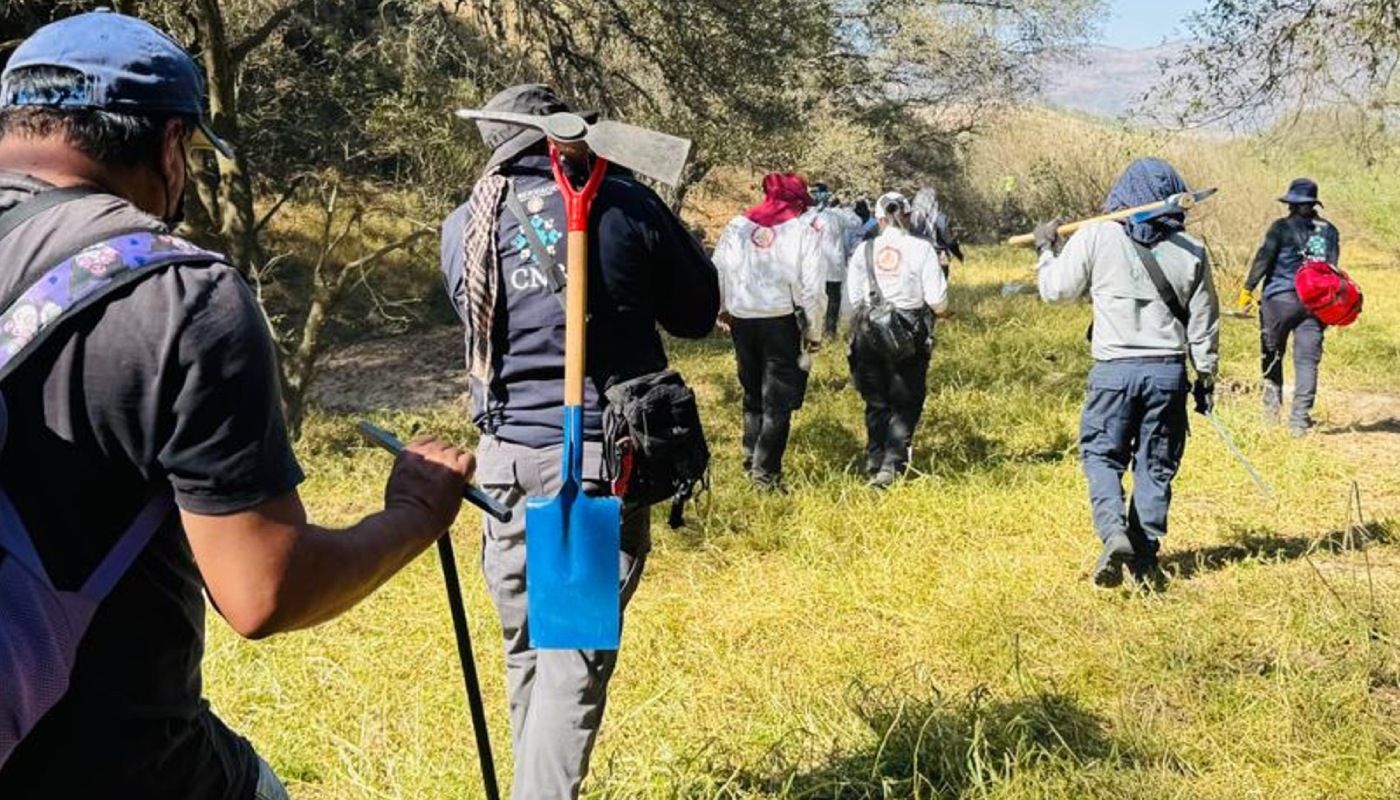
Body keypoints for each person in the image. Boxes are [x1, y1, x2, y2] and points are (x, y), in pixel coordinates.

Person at [0, 11, 474, 799]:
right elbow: (264, 592)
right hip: (118, 766)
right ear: (169, 145)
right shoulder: (177, 295)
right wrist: (414, 515)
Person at [440, 84, 719, 799]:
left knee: (530, 651)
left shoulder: (465, 224)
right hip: (590, 462)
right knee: (570, 660)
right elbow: (696, 308)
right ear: (564, 138)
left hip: (503, 463)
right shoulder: (621, 204)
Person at [1033, 158, 1220, 588]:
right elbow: (1204, 322)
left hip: (1113, 372)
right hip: (1167, 373)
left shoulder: (1095, 236)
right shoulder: (1192, 251)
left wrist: (1046, 249)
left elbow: (1055, 290)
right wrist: (1205, 376)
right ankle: (1145, 555)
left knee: (1101, 455)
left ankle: (1113, 532)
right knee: (1156, 464)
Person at [712, 172, 827, 491]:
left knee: (752, 392)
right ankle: (766, 473)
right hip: (781, 321)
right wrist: (814, 331)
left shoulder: (738, 225)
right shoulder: (804, 228)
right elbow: (813, 288)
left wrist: (723, 307)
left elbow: (720, 268)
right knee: (778, 400)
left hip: (744, 319)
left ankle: (751, 458)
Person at [845, 192, 949, 488]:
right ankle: (892, 464)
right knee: (906, 400)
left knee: (876, 399)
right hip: (908, 332)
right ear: (906, 216)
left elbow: (853, 300)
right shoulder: (922, 249)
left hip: (868, 331)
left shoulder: (864, 250)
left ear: (878, 219)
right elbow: (937, 299)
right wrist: (943, 313)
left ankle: (875, 456)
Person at [1243, 178, 1340, 436]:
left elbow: (1263, 259)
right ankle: (1298, 421)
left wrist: (1247, 288)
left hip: (1280, 301)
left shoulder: (1280, 228)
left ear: (1292, 204)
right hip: (1315, 305)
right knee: (1307, 362)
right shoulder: (1329, 230)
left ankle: (1270, 416)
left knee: (1273, 356)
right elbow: (1332, 268)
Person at [808, 181, 852, 337]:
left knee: (822, 300)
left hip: (820, 267)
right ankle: (827, 332)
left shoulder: (808, 215)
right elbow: (856, 221)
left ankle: (821, 332)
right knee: (830, 300)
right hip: (827, 266)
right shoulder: (833, 215)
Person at [910, 186, 965, 277]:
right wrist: (959, 255)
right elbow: (948, 239)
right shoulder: (939, 217)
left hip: (915, 257)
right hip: (936, 255)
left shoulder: (909, 217)